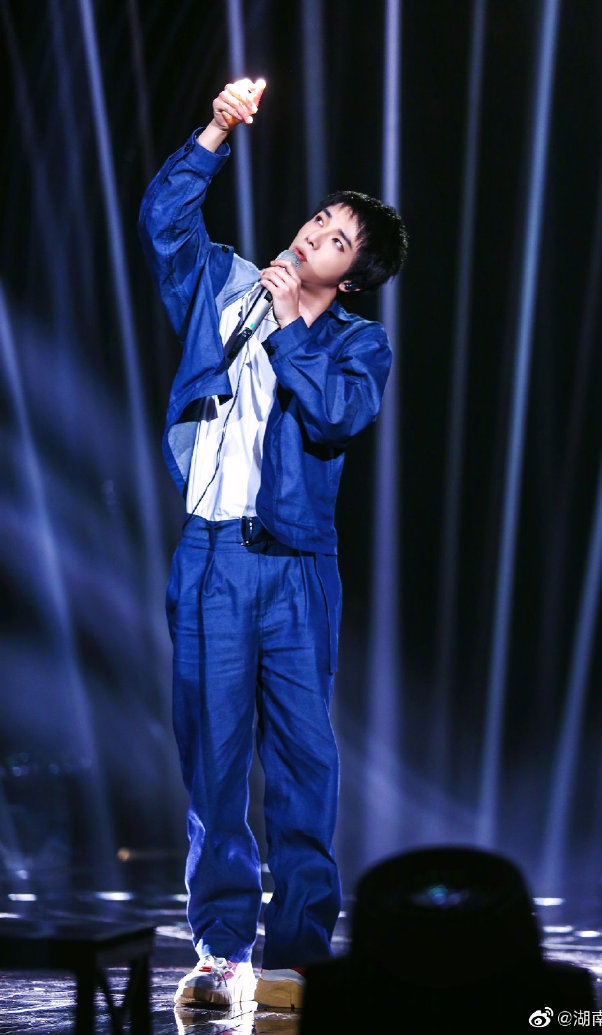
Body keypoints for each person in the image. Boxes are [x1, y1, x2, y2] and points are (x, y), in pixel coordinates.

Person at [138, 78, 408, 1012]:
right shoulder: (220, 283)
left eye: (336, 239)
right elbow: (163, 219)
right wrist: (216, 129)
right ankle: (219, 951)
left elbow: (336, 416)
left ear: (352, 277)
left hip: (296, 569)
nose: (313, 235)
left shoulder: (357, 345)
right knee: (213, 762)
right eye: (319, 219)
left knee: (301, 764)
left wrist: (293, 325)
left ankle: (297, 955)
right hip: (211, 558)